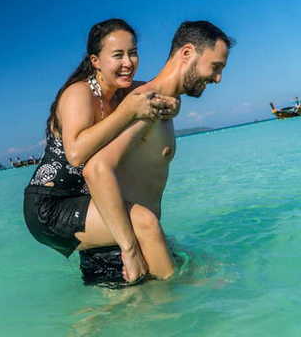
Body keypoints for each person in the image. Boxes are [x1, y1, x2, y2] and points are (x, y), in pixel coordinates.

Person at [23, 18, 180, 283]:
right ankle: (176, 300)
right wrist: (128, 112)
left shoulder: (124, 92)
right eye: (118, 55)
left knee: (157, 243)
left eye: (133, 53)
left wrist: (172, 106)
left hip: (91, 198)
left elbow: (161, 91)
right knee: (145, 223)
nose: (128, 62)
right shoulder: (78, 94)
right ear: (95, 61)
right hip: (50, 205)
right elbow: (75, 153)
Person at [79, 20, 233, 286]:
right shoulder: (144, 105)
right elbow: (96, 168)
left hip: (138, 240)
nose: (218, 78)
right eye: (216, 67)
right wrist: (129, 248)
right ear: (187, 53)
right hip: (119, 250)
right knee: (169, 313)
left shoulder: (163, 102)